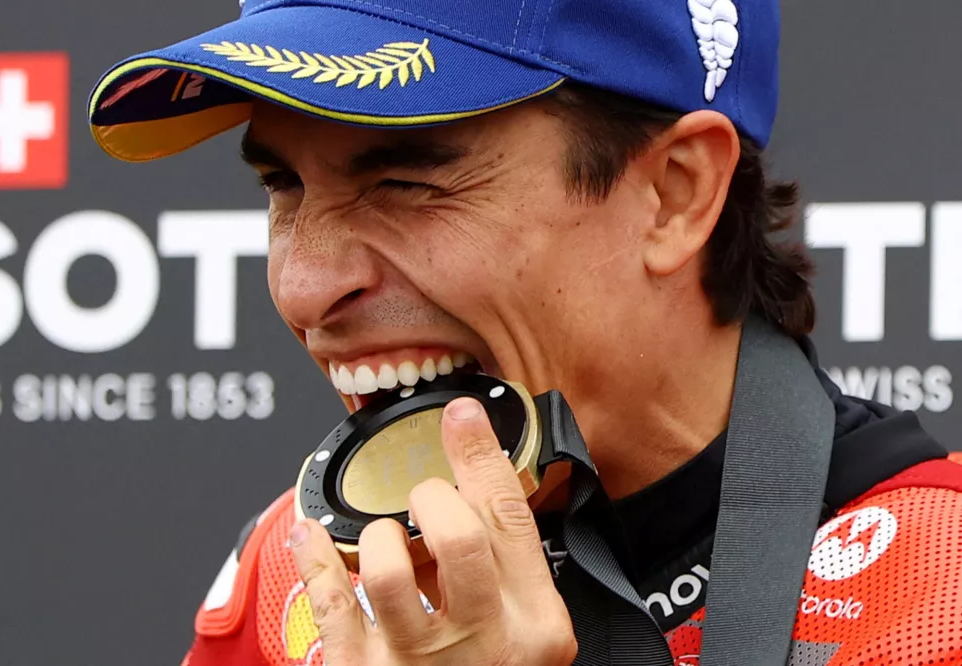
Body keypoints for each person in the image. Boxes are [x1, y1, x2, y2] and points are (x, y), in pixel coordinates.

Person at [86, 0, 962, 664]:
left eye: (404, 183)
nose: (306, 287)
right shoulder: (294, 577)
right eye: (283, 188)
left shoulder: (935, 599)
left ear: (676, 193)